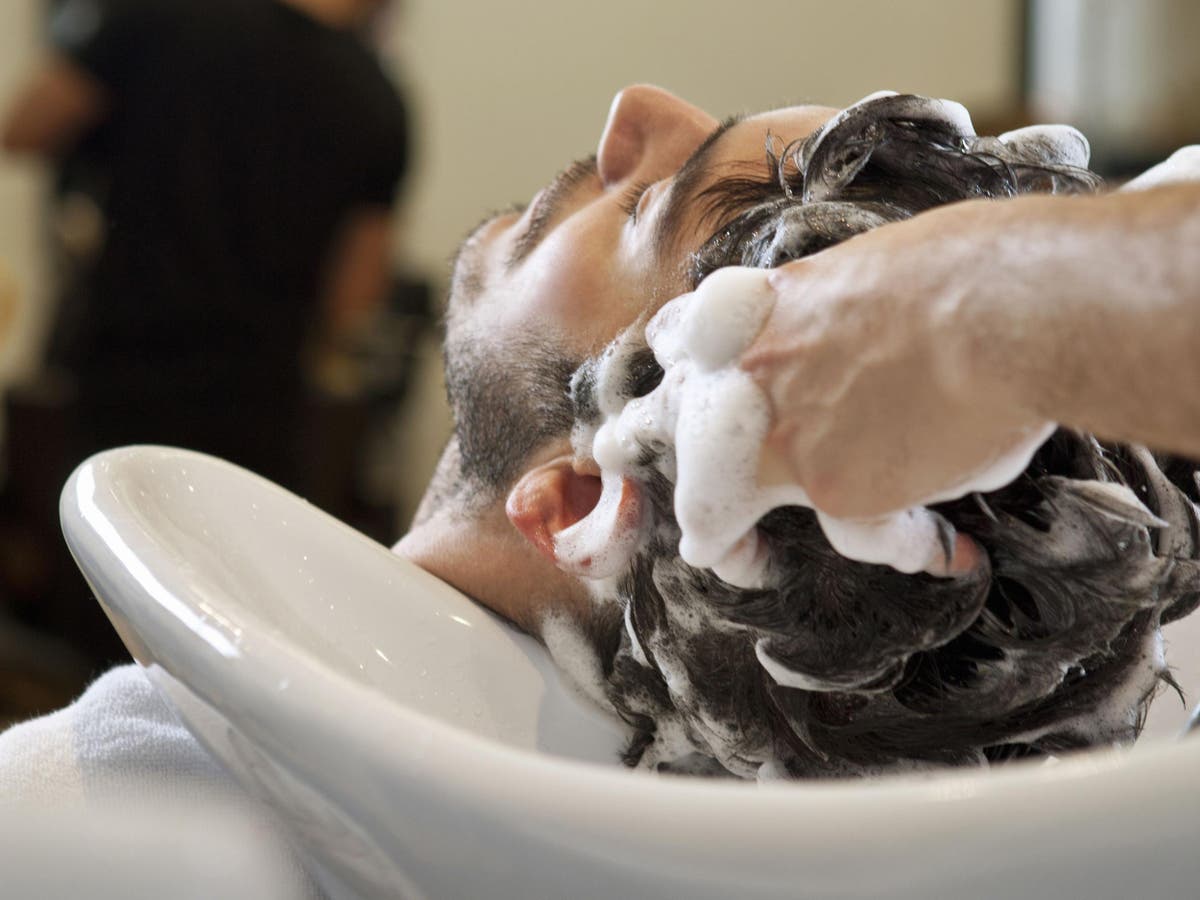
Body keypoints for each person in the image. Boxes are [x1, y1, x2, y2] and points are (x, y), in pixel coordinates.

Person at [1, 83, 1198, 869]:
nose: (637, 113)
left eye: (648, 207)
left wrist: (966, 309)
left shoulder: (111, 816)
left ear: (585, 502)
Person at [2, 0, 410, 492]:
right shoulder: (375, 93)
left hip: (123, 374)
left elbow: (26, 127)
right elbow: (354, 297)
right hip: (262, 400)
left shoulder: (157, 16)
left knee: (102, 548)